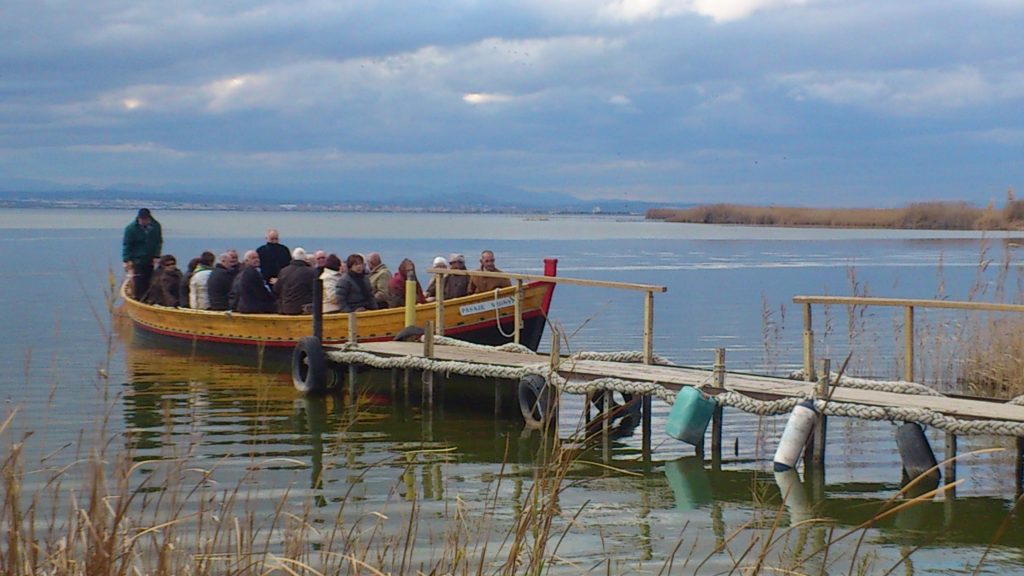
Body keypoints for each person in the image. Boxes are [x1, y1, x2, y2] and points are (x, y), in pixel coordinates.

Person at [122, 208, 163, 300]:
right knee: (139, 281)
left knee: (150, 280)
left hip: (150, 259)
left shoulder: (155, 226)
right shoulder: (131, 229)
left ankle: (149, 299)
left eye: (146, 219)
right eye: (142, 219)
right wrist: (126, 260)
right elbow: (127, 245)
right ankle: (139, 299)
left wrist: (157, 256)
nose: (144, 221)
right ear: (138, 218)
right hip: (137, 259)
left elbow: (158, 242)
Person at [274, 247, 316, 314]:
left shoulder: (283, 271)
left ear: (293, 257)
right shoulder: (311, 272)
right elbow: (316, 291)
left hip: (285, 309)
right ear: (305, 258)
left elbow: (276, 289)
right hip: (304, 309)